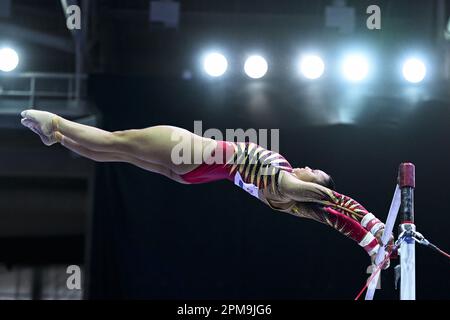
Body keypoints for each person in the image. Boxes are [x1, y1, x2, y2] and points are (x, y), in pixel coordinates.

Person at [20, 109, 392, 266]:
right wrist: (372, 247)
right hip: (192, 174)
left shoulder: (287, 183)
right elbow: (333, 219)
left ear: (314, 184)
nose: (309, 167)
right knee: (119, 153)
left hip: (193, 151)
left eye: (316, 172)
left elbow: (336, 203)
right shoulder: (288, 203)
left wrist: (376, 229)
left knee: (119, 142)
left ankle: (54, 121)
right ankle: (60, 136)